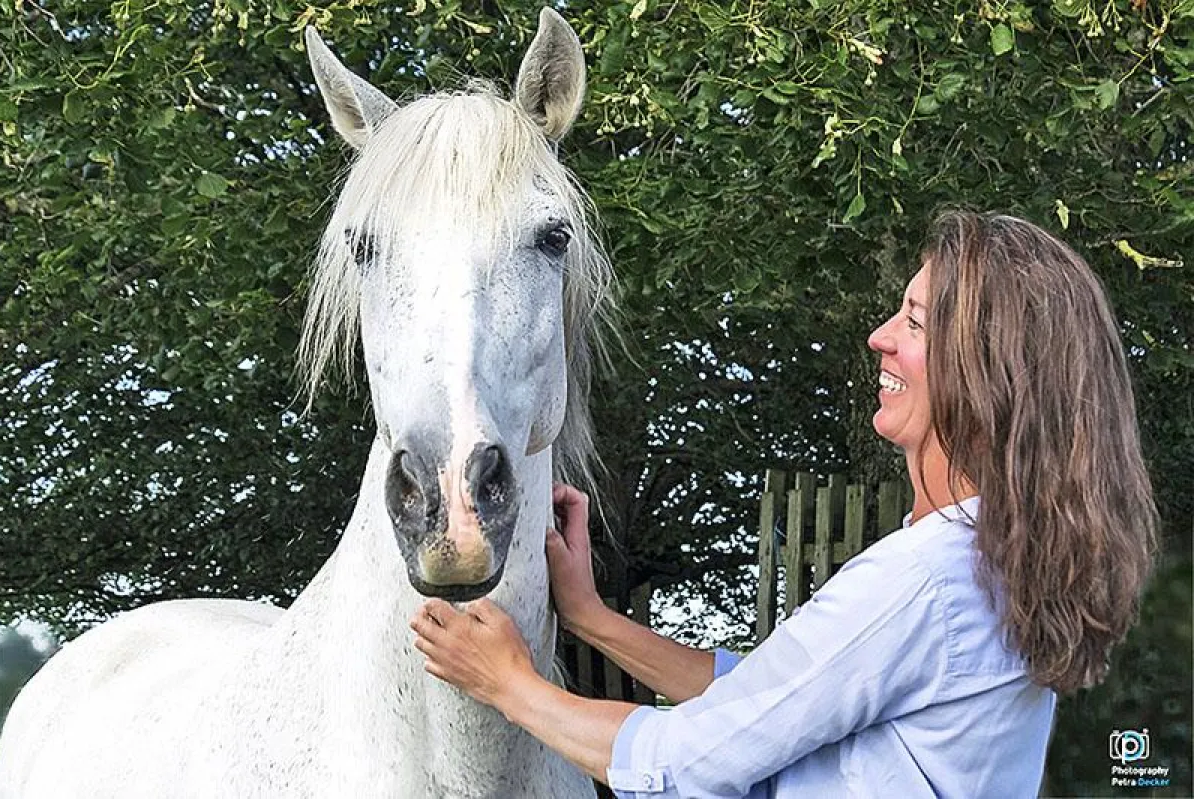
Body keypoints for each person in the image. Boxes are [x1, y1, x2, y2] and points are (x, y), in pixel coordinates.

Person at [409, 211, 1158, 798]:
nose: (880, 337)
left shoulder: (925, 581)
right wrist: (593, 620)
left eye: (917, 322)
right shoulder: (987, 556)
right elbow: (768, 696)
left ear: (989, 371)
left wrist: (508, 683)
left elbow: (689, 759)